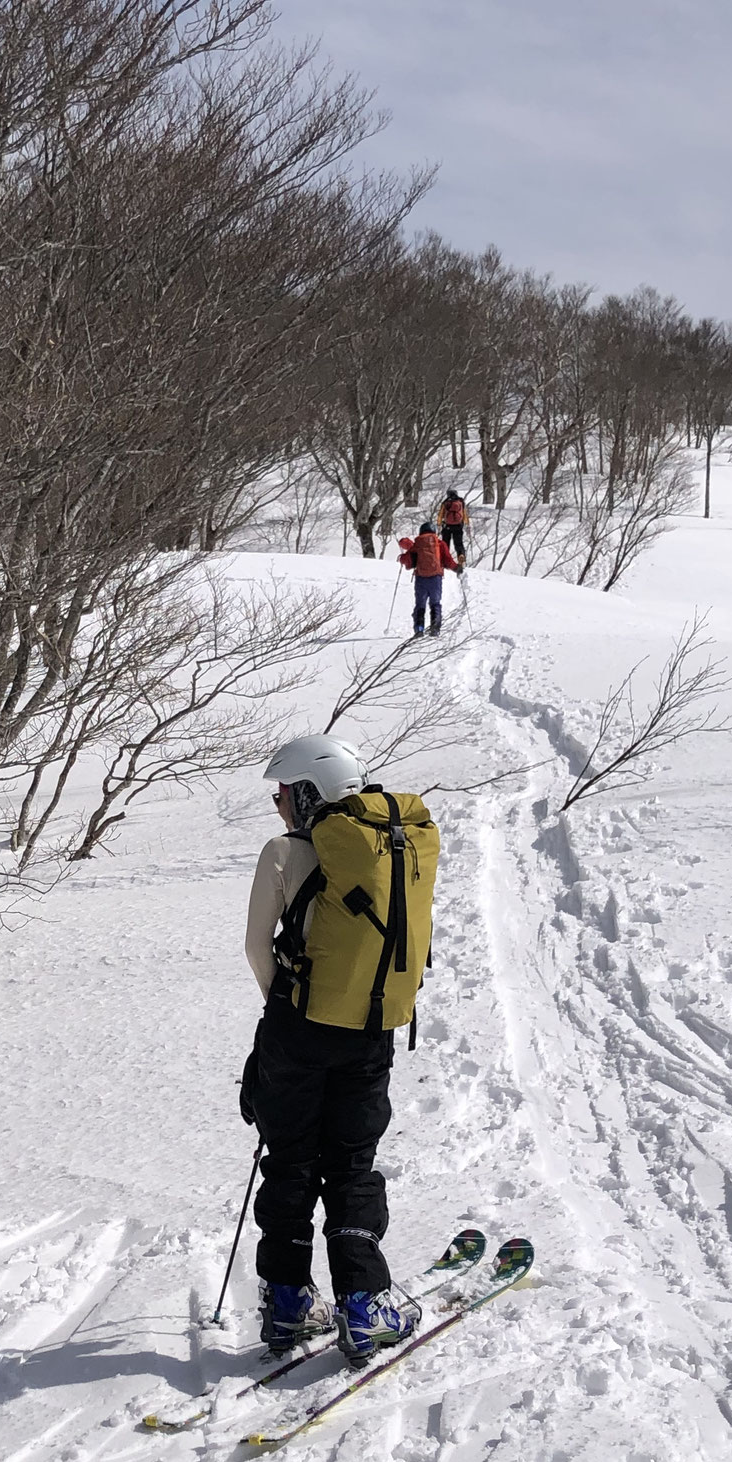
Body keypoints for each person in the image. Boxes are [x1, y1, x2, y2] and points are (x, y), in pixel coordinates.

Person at [242, 735, 420, 1364]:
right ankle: (366, 1306)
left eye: (283, 792)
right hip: (369, 1032)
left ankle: (289, 1303)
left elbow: (257, 948)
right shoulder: (390, 848)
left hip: (295, 1034)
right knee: (351, 1165)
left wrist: (286, 1010)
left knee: (290, 1162)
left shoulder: (284, 852)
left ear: (308, 791)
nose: (277, 805)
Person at [397, 523, 459, 636]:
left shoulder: (417, 544)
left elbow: (407, 560)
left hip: (421, 578)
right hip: (436, 579)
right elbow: (448, 560)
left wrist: (401, 558)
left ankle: (419, 629)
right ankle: (435, 629)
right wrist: (457, 568)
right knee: (435, 603)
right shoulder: (440, 544)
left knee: (420, 604)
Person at [438, 489, 468, 565]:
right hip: (458, 526)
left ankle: (445, 560)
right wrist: (466, 523)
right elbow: (464, 513)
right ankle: (461, 556)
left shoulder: (445, 502)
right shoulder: (461, 502)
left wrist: (439, 524)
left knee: (445, 543)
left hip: (447, 526)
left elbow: (441, 514)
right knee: (459, 543)